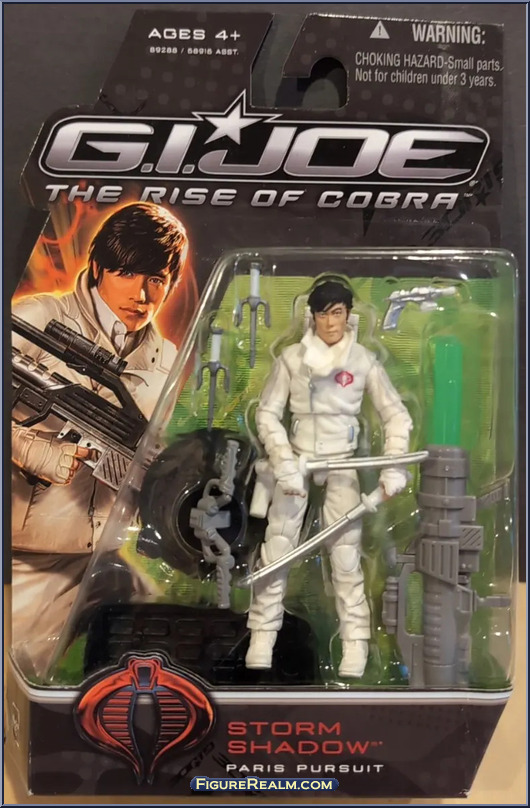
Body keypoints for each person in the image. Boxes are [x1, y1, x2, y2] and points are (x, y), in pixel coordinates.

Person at [11, 202, 189, 666]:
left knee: (170, 649)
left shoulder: (165, 358)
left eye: (156, 279)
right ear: (97, 269)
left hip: (105, 554)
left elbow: (149, 448)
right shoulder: (37, 318)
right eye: (127, 273)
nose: (142, 294)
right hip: (30, 555)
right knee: (18, 671)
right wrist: (32, 449)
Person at [245, 280, 413, 678]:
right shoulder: (291, 359)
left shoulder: (363, 361)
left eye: (337, 313)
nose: (331, 322)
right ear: (313, 316)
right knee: (276, 553)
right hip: (297, 465)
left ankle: (355, 643)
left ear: (348, 314)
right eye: (323, 314)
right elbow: (267, 413)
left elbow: (396, 415)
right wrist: (283, 460)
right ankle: (261, 638)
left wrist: (393, 466)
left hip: (342, 465)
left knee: (346, 557)